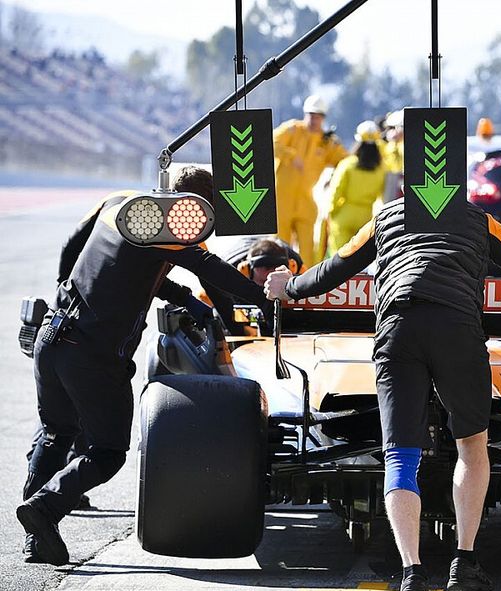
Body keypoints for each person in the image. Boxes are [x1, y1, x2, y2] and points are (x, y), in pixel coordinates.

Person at [265, 197, 501, 591]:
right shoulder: (480, 219)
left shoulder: (385, 217)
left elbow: (334, 269)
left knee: (400, 456)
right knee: (472, 446)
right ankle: (464, 562)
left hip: (398, 328)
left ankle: (412, 575)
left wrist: (288, 287)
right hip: (457, 328)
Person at [17, 167, 274, 566]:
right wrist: (266, 297)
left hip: (53, 335)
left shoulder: (120, 204)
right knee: (108, 451)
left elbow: (90, 252)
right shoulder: (167, 224)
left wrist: (185, 299)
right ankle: (44, 508)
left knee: (56, 433)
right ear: (192, 207)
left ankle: (36, 534)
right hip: (92, 354)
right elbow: (212, 269)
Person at [273, 94, 348, 268]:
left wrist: (335, 177)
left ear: (323, 118)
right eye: (311, 115)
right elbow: (271, 142)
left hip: (306, 200)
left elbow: (345, 161)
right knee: (280, 247)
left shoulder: (326, 142)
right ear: (305, 114)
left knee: (307, 249)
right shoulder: (292, 129)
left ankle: (306, 279)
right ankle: (278, 277)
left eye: (318, 117)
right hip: (281, 199)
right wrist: (291, 156)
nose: (314, 120)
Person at [320, 120, 387, 257]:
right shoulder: (381, 169)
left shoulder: (348, 164)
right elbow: (383, 196)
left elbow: (336, 191)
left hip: (344, 215)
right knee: (360, 260)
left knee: (339, 258)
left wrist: (332, 212)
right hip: (366, 218)